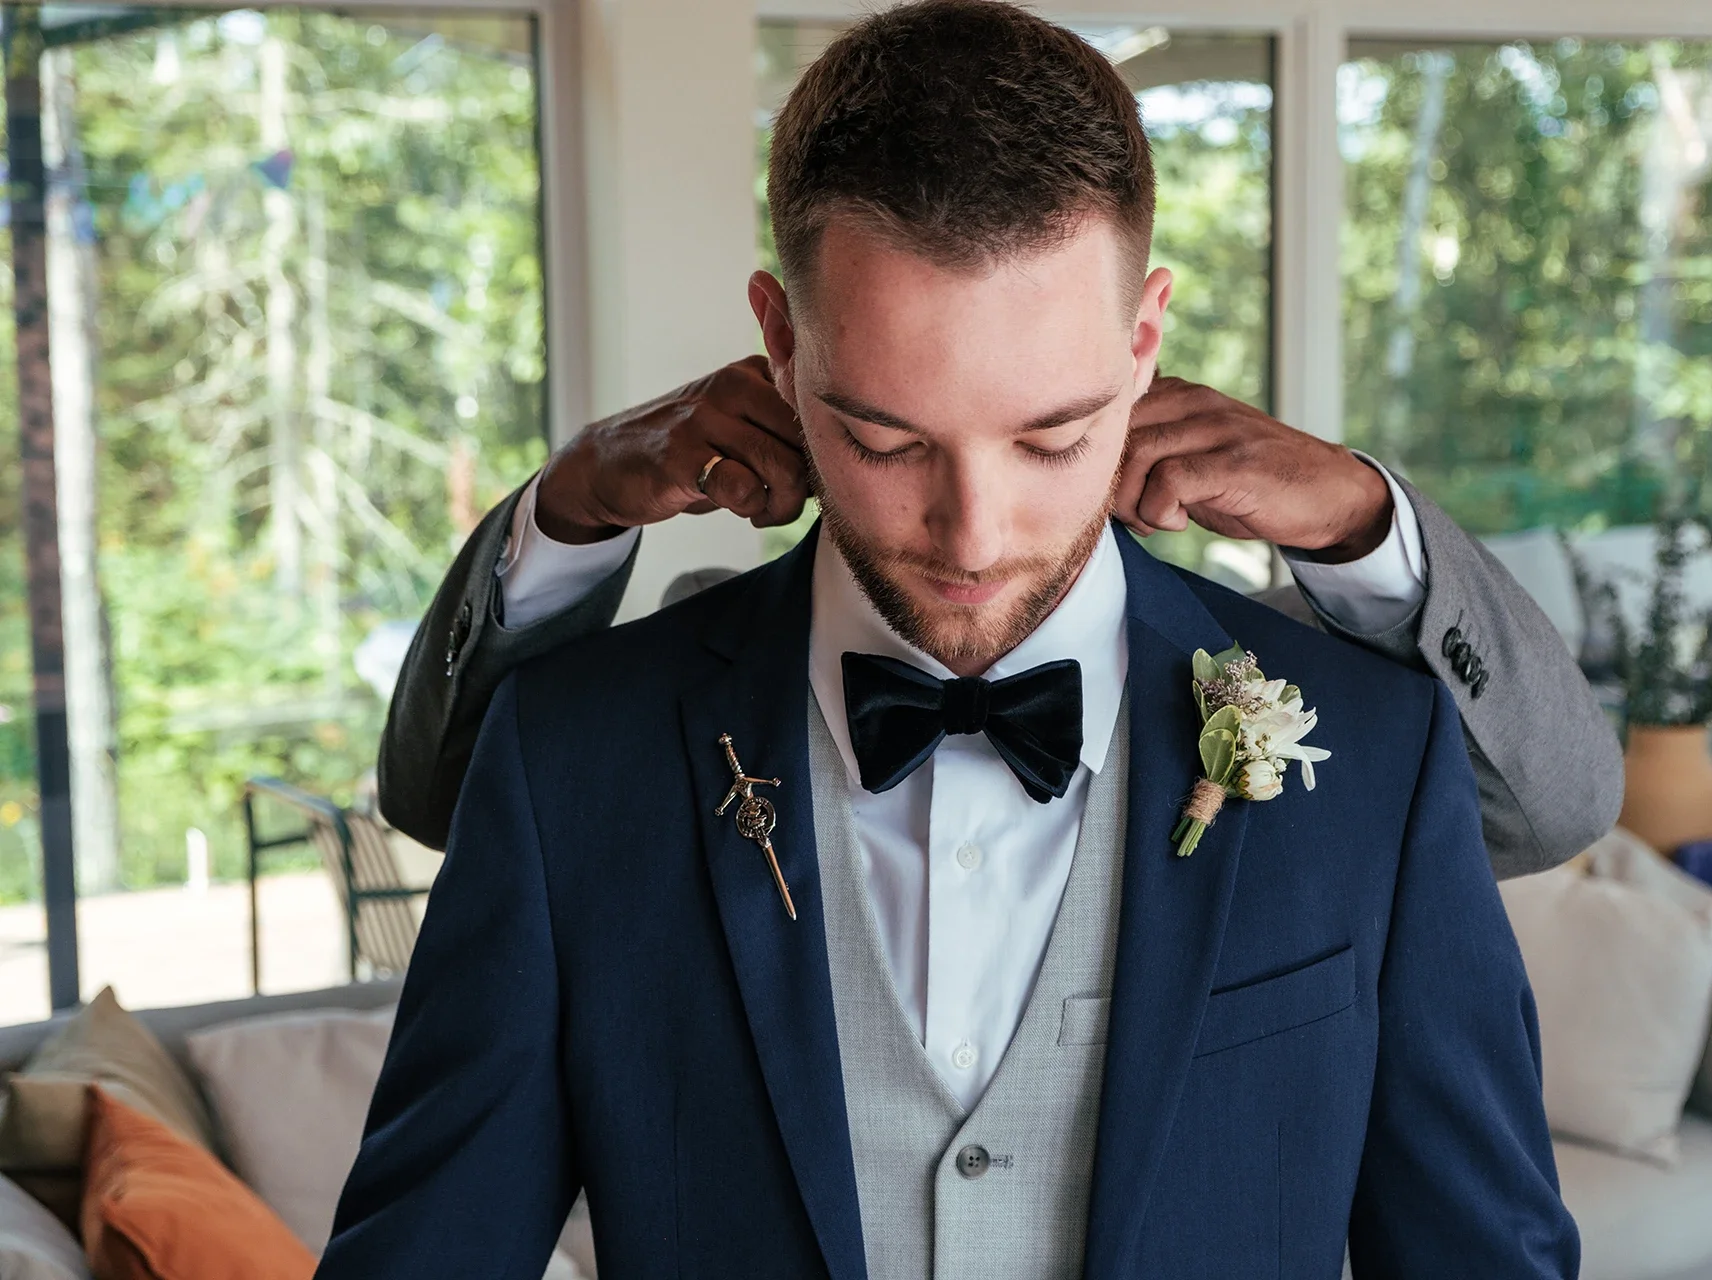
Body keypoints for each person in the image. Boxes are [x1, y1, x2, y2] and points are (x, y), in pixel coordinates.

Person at [319, 4, 1592, 1275]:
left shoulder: (1371, 748)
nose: (972, 534)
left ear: (1144, 340)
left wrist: (1368, 518)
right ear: (779, 338)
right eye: (886, 439)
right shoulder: (577, 757)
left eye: (1050, 438)